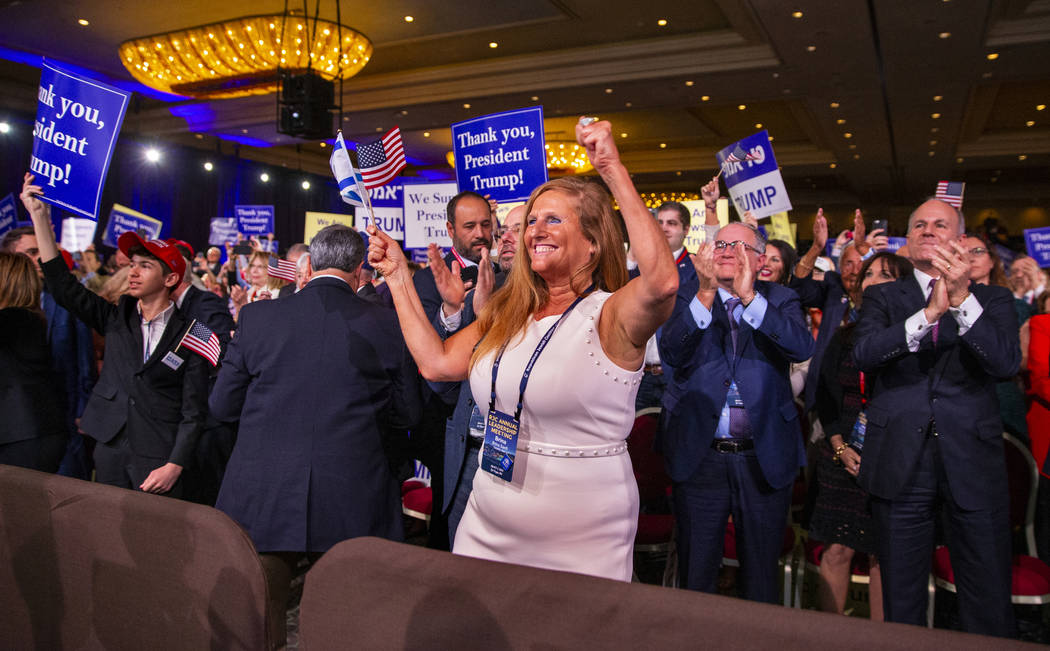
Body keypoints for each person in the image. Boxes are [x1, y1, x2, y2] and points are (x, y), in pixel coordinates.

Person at [367, 118, 678, 581]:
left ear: (593, 244)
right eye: (531, 220)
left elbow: (662, 282)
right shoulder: (507, 312)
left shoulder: (610, 314)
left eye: (553, 219)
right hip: (489, 511)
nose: (534, 230)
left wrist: (611, 169)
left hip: (579, 528)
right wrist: (396, 276)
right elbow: (436, 362)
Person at [209, 224, 421, 646]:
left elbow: (221, 406)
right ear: (360, 269)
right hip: (354, 498)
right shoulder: (390, 323)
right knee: (345, 628)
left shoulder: (258, 316)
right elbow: (408, 413)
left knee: (256, 626)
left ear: (308, 266)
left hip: (263, 493)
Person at [852, 198, 1019, 636]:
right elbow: (865, 355)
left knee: (985, 594)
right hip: (900, 461)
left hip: (972, 461)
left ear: (960, 240)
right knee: (901, 598)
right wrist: (927, 316)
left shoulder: (995, 299)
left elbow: (1004, 363)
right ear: (908, 242)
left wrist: (961, 297)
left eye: (940, 224)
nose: (928, 229)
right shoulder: (884, 296)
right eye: (919, 224)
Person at [21, 173, 210, 498]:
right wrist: (39, 216)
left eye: (146, 266)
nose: (133, 271)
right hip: (109, 443)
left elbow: (195, 410)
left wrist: (176, 463)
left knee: (156, 536)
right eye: (133, 264)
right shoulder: (116, 317)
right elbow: (62, 285)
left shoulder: (196, 331)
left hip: (159, 453)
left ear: (170, 279)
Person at [657, 221, 813, 602]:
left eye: (737, 245)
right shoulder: (687, 296)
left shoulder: (779, 299)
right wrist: (707, 293)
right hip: (701, 456)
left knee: (761, 577)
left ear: (761, 261)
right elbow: (673, 352)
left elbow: (801, 347)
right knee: (697, 573)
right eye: (720, 243)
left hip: (762, 456)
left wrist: (750, 299)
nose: (725, 250)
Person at [810, 251, 913, 620]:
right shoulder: (843, 337)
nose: (873, 280)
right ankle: (831, 640)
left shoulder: (917, 337)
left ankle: (884, 641)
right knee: (837, 549)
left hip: (896, 456)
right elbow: (825, 397)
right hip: (844, 454)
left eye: (887, 275)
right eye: (869, 274)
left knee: (882, 555)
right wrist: (839, 447)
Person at [408, 189, 500, 549]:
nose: (480, 233)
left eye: (485, 224)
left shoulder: (508, 275)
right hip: (445, 419)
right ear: (450, 229)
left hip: (495, 426)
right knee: (452, 528)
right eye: (470, 226)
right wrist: (453, 310)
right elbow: (429, 352)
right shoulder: (427, 280)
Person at [436, 204, 524, 546]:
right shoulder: (486, 286)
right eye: (504, 231)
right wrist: (453, 310)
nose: (505, 239)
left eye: (520, 228)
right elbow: (441, 365)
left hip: (518, 450)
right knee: (462, 554)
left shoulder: (557, 297)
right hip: (469, 447)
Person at [1, 225, 96, 479]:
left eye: (41, 251)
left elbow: (84, 360)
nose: (39, 259)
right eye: (31, 252)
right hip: (22, 425)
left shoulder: (25, 315)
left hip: (43, 424)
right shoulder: (21, 314)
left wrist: (83, 410)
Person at [0, 251, 68, 471]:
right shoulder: (26, 318)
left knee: (20, 505)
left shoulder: (17, 318)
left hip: (24, 435)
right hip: (24, 433)